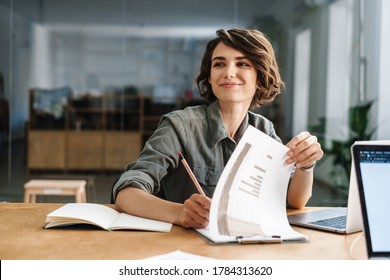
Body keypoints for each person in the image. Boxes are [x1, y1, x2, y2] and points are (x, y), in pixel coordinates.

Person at [114, 28, 323, 229]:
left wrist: (306, 165)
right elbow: (126, 194)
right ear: (211, 77)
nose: (229, 73)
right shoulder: (180, 125)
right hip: (183, 248)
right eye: (219, 64)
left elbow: (293, 201)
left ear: (260, 75)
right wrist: (180, 213)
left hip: (243, 247)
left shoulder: (263, 129)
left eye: (242, 64)